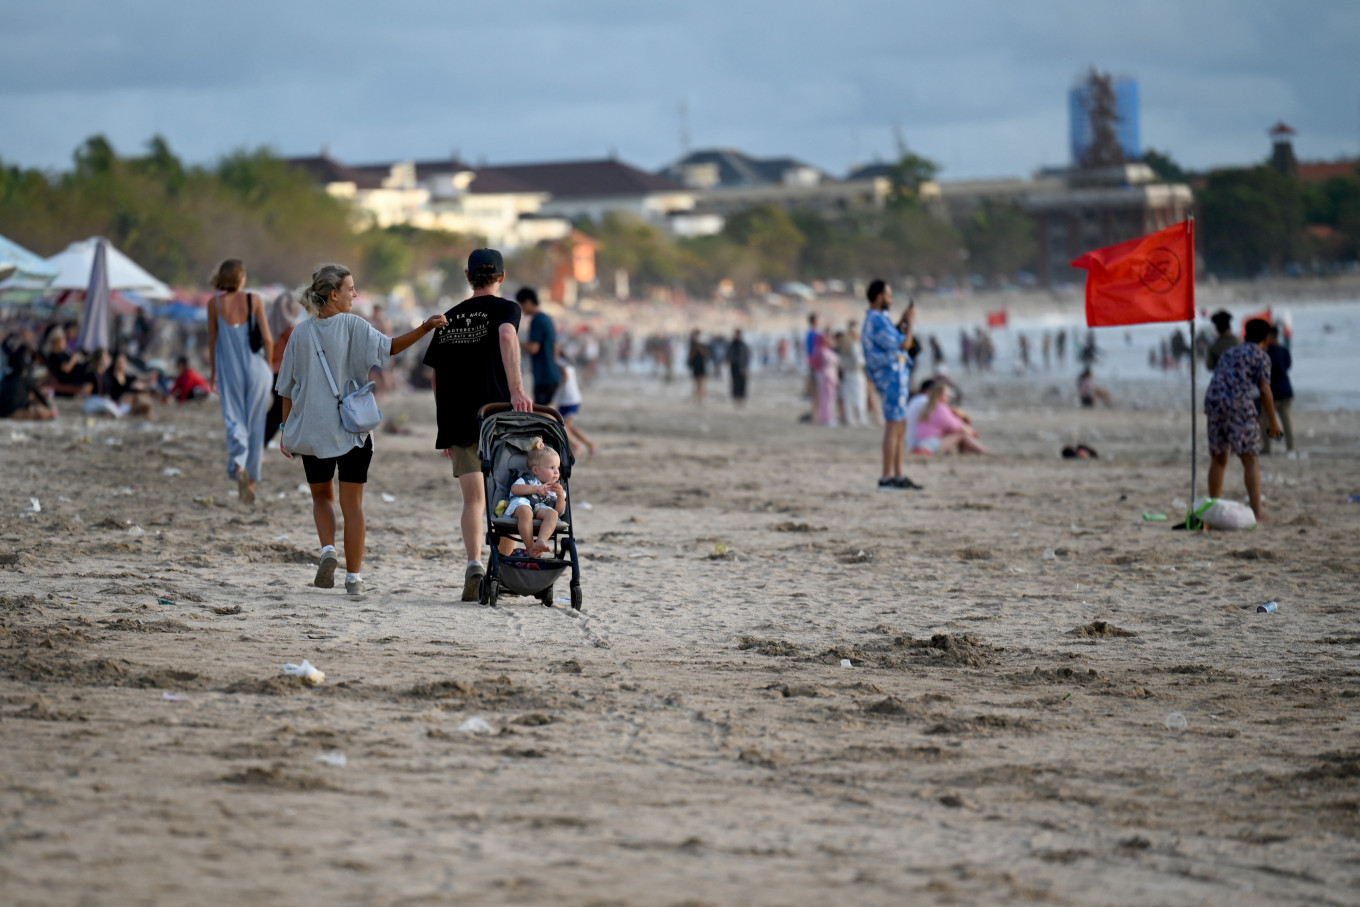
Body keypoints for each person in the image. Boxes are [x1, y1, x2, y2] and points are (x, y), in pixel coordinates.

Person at [277, 263, 447, 595]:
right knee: (352, 505)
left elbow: (286, 388)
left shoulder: (300, 332)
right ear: (334, 294)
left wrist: (286, 429)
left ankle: (328, 550)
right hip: (352, 431)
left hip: (313, 431)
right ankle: (353, 578)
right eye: (351, 289)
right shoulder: (354, 325)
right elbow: (392, 347)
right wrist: (426, 327)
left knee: (321, 497)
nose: (355, 295)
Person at [422, 248, 532, 602]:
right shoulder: (506, 308)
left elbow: (436, 376)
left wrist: (446, 425)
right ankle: (500, 566)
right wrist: (517, 390)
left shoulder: (449, 317)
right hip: (497, 416)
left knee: (473, 500)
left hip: (459, 419)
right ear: (501, 276)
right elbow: (506, 337)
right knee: (508, 494)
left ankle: (473, 564)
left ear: (468, 276)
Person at [207, 258, 274, 506]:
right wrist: (267, 367)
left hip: (230, 371)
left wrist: (214, 374)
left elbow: (213, 343)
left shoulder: (213, 304)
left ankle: (239, 464)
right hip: (257, 370)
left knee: (235, 421)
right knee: (257, 425)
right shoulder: (253, 300)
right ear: (241, 278)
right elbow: (267, 338)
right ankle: (252, 482)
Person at [1204, 318, 1282, 523]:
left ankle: (1213, 507)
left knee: (1219, 457)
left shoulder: (1230, 352)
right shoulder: (1261, 356)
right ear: (1266, 338)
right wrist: (1273, 421)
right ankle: (1258, 513)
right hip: (1238, 405)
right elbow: (1264, 389)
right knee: (1250, 459)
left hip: (1213, 402)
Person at [861, 279, 922, 490]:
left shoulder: (879, 320)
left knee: (900, 425)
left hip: (895, 376)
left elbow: (893, 338)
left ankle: (898, 473)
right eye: (888, 295)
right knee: (893, 425)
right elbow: (904, 343)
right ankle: (887, 476)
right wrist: (911, 322)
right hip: (891, 377)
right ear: (879, 297)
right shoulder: (876, 319)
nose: (892, 299)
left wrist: (902, 322)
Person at [503, 437, 567, 558]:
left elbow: (559, 511)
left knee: (552, 514)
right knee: (525, 511)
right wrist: (536, 489)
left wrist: (559, 497)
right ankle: (530, 546)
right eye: (552, 468)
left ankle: (541, 540)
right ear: (536, 470)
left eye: (558, 468)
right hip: (522, 506)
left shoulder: (556, 489)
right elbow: (515, 489)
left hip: (540, 509)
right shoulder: (528, 480)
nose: (556, 472)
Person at [265, 291, 304, 443]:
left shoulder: (268, 324)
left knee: (279, 410)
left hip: (270, 372)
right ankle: (261, 442)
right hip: (284, 374)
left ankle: (262, 442)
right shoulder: (290, 329)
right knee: (280, 412)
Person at [915, 382, 992, 454]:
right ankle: (984, 451)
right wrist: (971, 432)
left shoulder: (929, 407)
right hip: (929, 446)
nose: (949, 398)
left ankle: (976, 451)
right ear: (940, 395)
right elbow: (956, 426)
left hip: (921, 443)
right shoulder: (940, 408)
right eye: (947, 395)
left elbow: (952, 425)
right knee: (961, 435)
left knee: (957, 434)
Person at [517, 287, 562, 406]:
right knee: (546, 412)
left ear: (528, 302)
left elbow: (534, 348)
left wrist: (515, 342)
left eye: (521, 305)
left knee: (542, 414)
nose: (522, 309)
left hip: (544, 375)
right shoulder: (547, 318)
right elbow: (556, 347)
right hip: (552, 373)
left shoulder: (537, 320)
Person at [0, 332, 56, 420]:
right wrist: (49, 408)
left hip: (3, 411)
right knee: (45, 413)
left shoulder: (7, 376)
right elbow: (38, 394)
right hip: (14, 412)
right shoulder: (24, 376)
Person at [555, 354, 596, 457]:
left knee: (563, 425)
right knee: (567, 426)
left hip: (569, 399)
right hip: (568, 399)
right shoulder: (565, 361)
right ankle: (588, 443)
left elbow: (565, 377)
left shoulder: (559, 362)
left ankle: (578, 445)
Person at [1261, 325, 1294, 454]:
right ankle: (1291, 447)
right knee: (1287, 422)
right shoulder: (1284, 350)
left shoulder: (1266, 353)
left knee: (1266, 420)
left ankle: (1267, 448)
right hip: (1285, 390)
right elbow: (1287, 366)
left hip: (1271, 391)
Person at [840, 323, 868, 426]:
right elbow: (858, 360)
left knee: (848, 397)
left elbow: (842, 361)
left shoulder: (844, 344)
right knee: (859, 396)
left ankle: (850, 418)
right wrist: (865, 362)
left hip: (847, 374)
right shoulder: (855, 344)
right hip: (856, 373)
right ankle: (861, 418)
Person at [813, 332, 839, 425]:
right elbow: (829, 366)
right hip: (828, 377)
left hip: (824, 376)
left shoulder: (819, 350)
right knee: (828, 398)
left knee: (826, 397)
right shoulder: (824, 351)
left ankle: (826, 417)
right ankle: (827, 417)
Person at [727, 328, 750, 407]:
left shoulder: (743, 345)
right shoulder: (732, 345)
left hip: (742, 367)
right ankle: (736, 401)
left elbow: (746, 357)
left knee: (742, 384)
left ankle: (741, 401)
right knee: (735, 384)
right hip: (734, 367)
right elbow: (729, 355)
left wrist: (746, 367)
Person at [687, 330, 709, 404]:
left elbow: (706, 356)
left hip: (701, 366)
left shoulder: (703, 345)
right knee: (696, 383)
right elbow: (690, 356)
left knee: (701, 383)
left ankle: (700, 399)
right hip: (696, 366)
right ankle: (697, 398)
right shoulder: (693, 346)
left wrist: (700, 349)